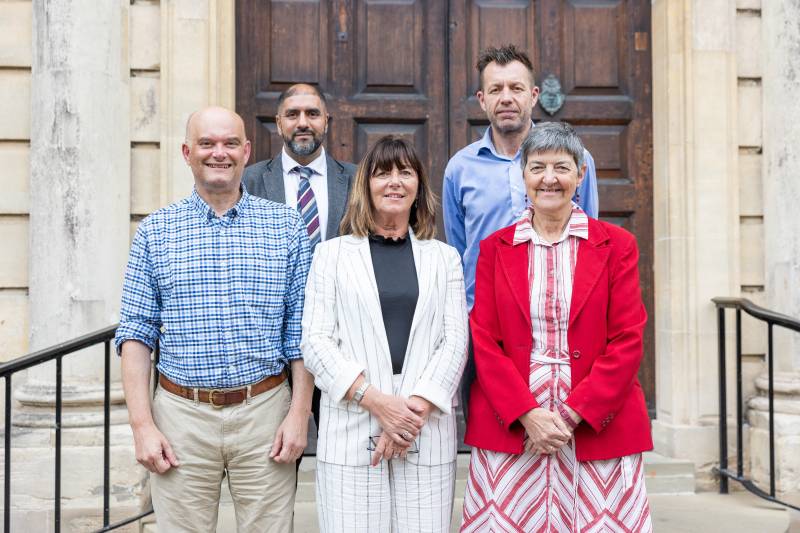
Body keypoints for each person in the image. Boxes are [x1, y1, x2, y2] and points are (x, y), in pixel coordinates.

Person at [115, 106, 313, 533]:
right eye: (206, 143)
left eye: (228, 144)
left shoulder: (286, 227)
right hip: (181, 418)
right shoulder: (156, 231)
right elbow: (135, 336)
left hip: (265, 415)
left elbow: (300, 331)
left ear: (246, 151)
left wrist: (299, 415)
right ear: (187, 152)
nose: (217, 153)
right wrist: (142, 426)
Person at [461, 122, 653, 532]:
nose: (549, 179)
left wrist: (569, 416)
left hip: (596, 419)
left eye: (562, 167)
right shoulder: (495, 248)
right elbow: (485, 340)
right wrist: (527, 414)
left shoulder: (617, 246)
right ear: (523, 175)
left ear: (581, 174)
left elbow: (628, 338)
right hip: (514, 420)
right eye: (538, 167)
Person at [301, 136, 468, 532]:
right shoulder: (332, 255)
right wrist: (378, 403)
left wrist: (410, 415)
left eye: (405, 172)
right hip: (352, 425)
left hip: (423, 431)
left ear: (418, 186)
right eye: (383, 173)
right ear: (366, 185)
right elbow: (316, 341)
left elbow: (455, 341)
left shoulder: (443, 258)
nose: (394, 182)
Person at [443, 43, 600, 418]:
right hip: (486, 326)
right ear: (482, 100)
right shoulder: (460, 169)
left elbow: (590, 237)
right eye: (496, 90)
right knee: (494, 428)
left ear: (533, 95)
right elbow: (459, 247)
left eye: (515, 88)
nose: (506, 98)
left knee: (560, 431)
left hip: (559, 322)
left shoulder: (575, 161)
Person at [242, 83, 356, 432]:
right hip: (272, 345)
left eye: (312, 114)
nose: (302, 122)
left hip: (343, 339)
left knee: (345, 453)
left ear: (327, 121)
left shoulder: (356, 180)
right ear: (278, 123)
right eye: (293, 114)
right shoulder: (250, 181)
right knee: (276, 455)